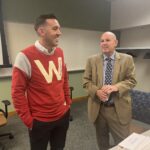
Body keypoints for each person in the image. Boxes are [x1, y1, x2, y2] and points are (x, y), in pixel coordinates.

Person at [11, 14, 72, 150]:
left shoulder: (60, 52)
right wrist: (29, 120)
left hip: (62, 116)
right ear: (41, 31)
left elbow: (64, 80)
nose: (59, 33)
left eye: (59, 29)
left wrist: (68, 104)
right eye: (55, 29)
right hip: (39, 121)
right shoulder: (25, 56)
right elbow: (17, 92)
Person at [83, 31, 137, 150]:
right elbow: (86, 81)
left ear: (115, 43)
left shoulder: (127, 59)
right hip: (98, 108)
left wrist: (116, 87)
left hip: (118, 109)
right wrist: (97, 91)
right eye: (102, 41)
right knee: (102, 141)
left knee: (123, 142)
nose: (104, 43)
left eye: (107, 40)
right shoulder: (92, 60)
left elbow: (132, 80)